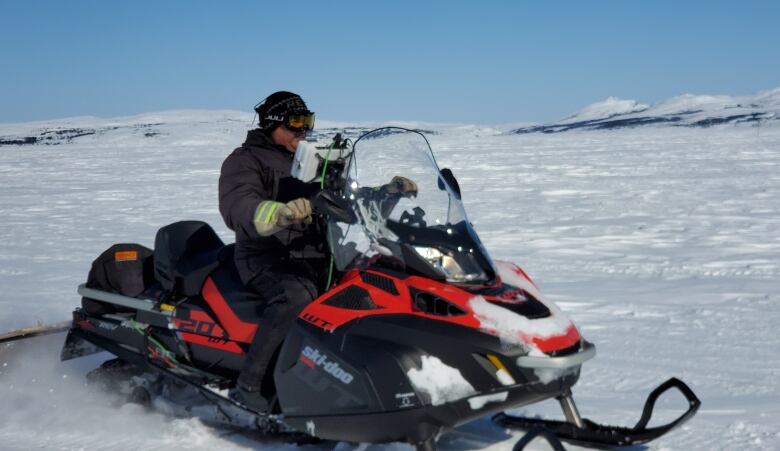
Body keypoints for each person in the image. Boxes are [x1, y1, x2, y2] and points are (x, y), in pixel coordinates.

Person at [218, 91, 324, 411]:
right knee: (295, 298)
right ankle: (249, 387)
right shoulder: (245, 160)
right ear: (272, 123)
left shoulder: (308, 159)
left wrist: (384, 193)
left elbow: (339, 194)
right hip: (264, 256)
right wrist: (278, 213)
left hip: (311, 253)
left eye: (307, 122)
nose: (302, 131)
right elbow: (238, 205)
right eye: (295, 123)